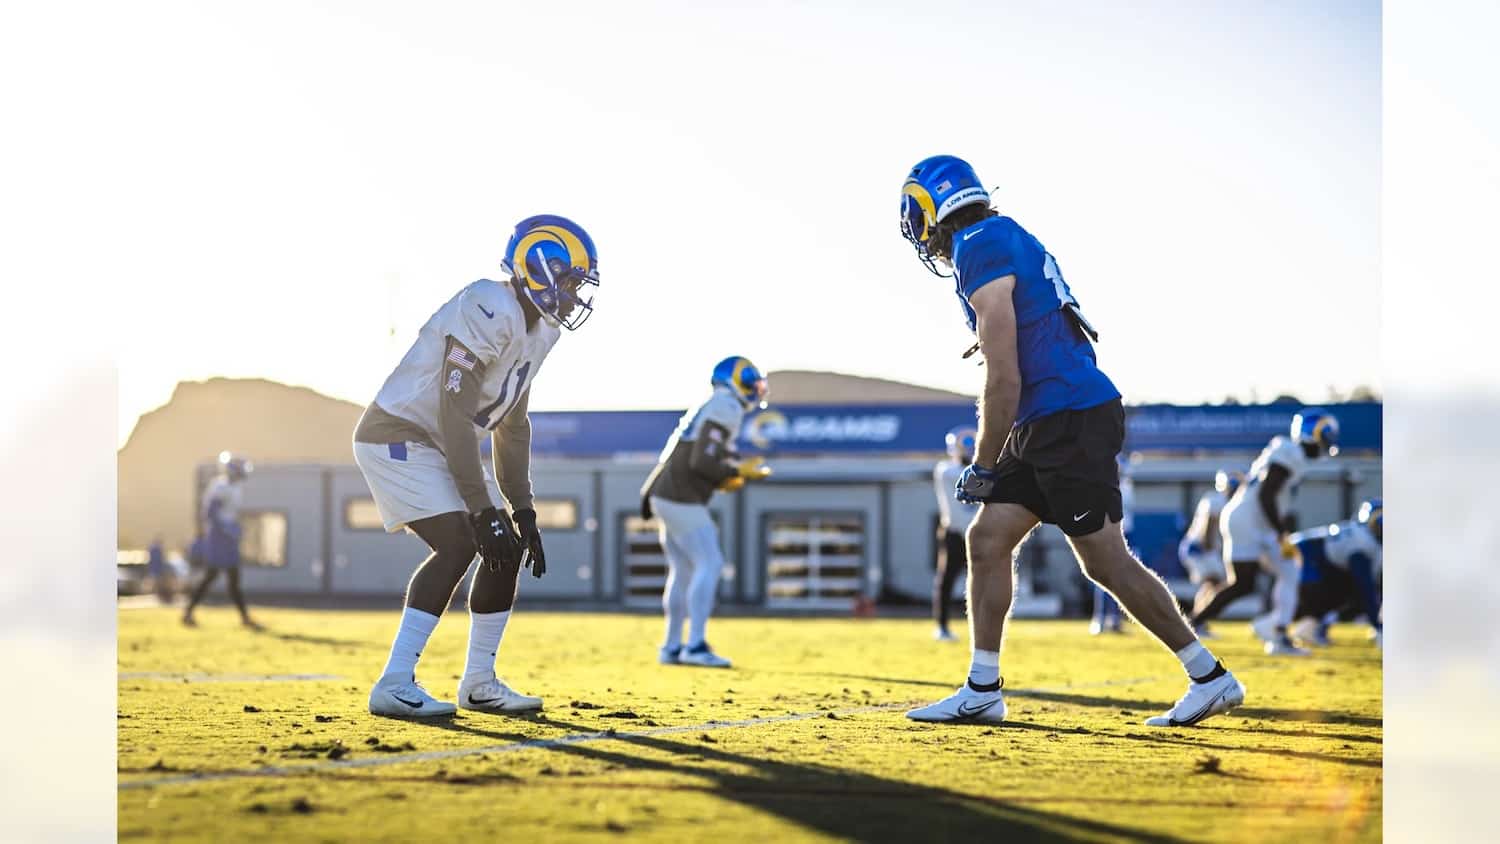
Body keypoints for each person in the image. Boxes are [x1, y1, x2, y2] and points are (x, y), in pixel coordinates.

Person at [896, 155, 1243, 727]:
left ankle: (1210, 677)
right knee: (986, 539)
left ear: (931, 206)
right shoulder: (1001, 235)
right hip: (1052, 414)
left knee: (1105, 562)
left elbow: (1003, 375)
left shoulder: (978, 244)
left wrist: (983, 463)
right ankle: (983, 688)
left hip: (1065, 415)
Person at [352, 215, 599, 717]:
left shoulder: (542, 332)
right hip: (398, 434)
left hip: (442, 442)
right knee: (464, 539)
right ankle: (394, 681)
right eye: (571, 281)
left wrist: (521, 508)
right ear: (540, 268)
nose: (575, 295)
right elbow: (454, 412)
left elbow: (513, 423)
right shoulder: (488, 305)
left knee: (503, 547)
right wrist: (482, 508)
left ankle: (480, 682)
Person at [640, 356, 772, 668]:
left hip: (667, 493)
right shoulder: (726, 406)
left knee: (683, 571)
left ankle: (672, 646)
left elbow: (684, 456)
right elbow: (703, 461)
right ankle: (695, 645)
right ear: (735, 380)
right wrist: (737, 470)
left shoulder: (713, 403)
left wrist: (729, 473)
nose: (755, 387)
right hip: (680, 496)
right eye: (751, 380)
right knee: (710, 563)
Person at [1189, 409, 1341, 655]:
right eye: (1326, 434)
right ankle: (1274, 634)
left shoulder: (1290, 453)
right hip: (1249, 521)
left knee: (1272, 575)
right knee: (1261, 577)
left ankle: (1272, 630)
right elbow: (1266, 495)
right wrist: (1281, 533)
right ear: (1312, 433)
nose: (1328, 441)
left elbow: (1271, 496)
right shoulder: (1290, 452)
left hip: (1249, 519)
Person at [1291, 498, 1383, 649]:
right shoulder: (1362, 543)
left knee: (1343, 595)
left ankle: (1308, 629)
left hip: (1318, 560)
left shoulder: (1367, 539)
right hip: (1304, 555)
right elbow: (1364, 585)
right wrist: (1378, 626)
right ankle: (1276, 629)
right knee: (1312, 597)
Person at [182, 453, 260, 628]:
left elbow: (229, 514)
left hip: (228, 539)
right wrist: (227, 529)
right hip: (218, 538)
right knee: (212, 577)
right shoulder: (220, 487)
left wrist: (235, 528)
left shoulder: (235, 487)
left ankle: (244, 617)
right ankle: (188, 613)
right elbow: (211, 514)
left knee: (232, 579)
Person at [1177, 469, 1244, 637]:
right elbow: (1209, 533)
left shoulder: (1223, 501)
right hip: (1199, 549)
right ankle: (1196, 621)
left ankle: (1197, 620)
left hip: (1202, 549)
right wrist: (1213, 553)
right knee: (1215, 583)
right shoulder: (1216, 500)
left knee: (1212, 585)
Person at [933, 425, 980, 641]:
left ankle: (980, 627)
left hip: (977, 533)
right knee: (946, 580)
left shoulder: (981, 471)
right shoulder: (945, 470)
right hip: (953, 533)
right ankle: (941, 626)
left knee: (980, 581)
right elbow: (959, 472)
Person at [1089, 457, 1132, 635]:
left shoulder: (1127, 487)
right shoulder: (1101, 485)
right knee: (1102, 579)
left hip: (1123, 535)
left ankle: (1114, 619)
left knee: (1117, 579)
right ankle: (1100, 618)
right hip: (1104, 534)